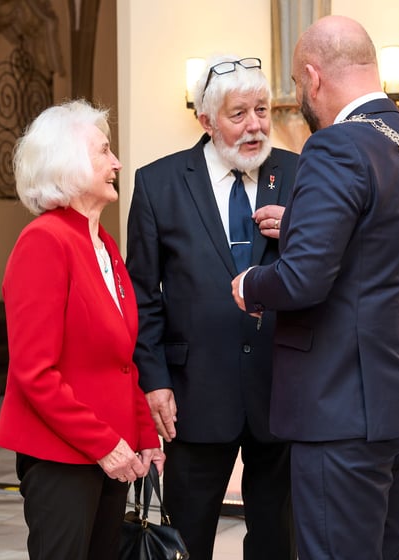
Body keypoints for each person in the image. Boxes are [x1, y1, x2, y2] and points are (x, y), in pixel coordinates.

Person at [232, 16, 399, 560]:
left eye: (299, 87)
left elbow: (302, 280)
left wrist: (252, 283)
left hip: (342, 407)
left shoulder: (336, 147)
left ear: (312, 77)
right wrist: (304, 220)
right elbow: (384, 254)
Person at [126, 55, 298, 560]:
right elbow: (142, 294)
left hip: (281, 388)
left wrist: (298, 231)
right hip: (194, 392)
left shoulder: (296, 172)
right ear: (205, 120)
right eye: (239, 113)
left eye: (262, 110)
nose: (255, 126)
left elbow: (325, 268)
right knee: (189, 538)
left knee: (278, 539)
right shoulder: (158, 183)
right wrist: (154, 380)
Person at [0, 99, 165, 560]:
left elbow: (120, 361)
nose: (117, 162)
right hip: (60, 457)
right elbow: (34, 372)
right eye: (104, 151)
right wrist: (106, 444)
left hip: (109, 453)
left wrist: (144, 435)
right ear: (66, 165)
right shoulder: (45, 241)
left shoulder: (102, 243)